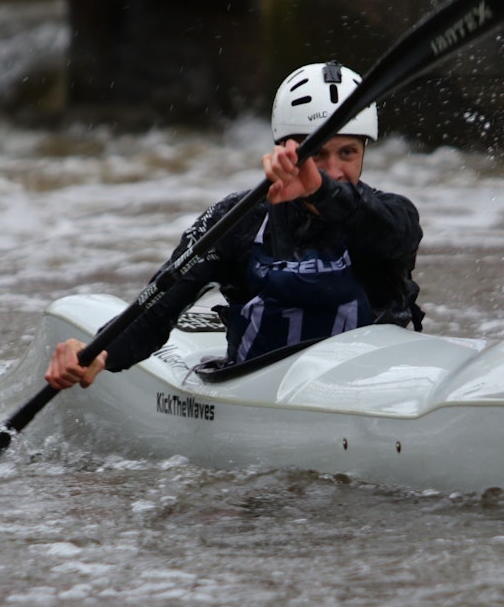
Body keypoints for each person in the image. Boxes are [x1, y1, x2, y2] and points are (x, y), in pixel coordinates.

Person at [45, 60, 424, 390]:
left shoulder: (389, 216)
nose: (333, 170)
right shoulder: (238, 221)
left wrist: (320, 191)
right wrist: (98, 352)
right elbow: (157, 311)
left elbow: (393, 236)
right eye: (317, 153)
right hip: (258, 389)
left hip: (372, 388)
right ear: (286, 150)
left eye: (348, 153)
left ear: (364, 153)